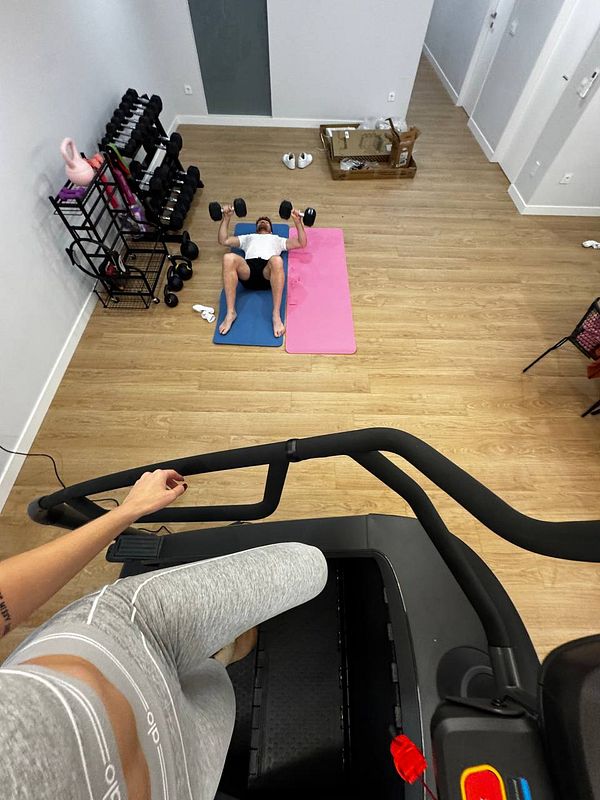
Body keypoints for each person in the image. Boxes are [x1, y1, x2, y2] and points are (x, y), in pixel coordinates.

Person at [0, 469, 327, 799]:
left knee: (310, 565)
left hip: (125, 633)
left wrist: (128, 510)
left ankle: (216, 644)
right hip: (178, 768)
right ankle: (219, 654)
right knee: (215, 679)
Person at [217, 207, 307, 337]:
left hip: (268, 274)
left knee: (277, 260)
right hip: (248, 271)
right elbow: (223, 240)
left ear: (271, 229)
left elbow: (301, 242)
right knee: (228, 258)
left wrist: (298, 222)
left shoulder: (277, 239)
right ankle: (230, 313)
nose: (262, 222)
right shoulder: (248, 238)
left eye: (266, 222)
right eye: (260, 222)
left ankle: (276, 315)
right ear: (256, 228)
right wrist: (226, 218)